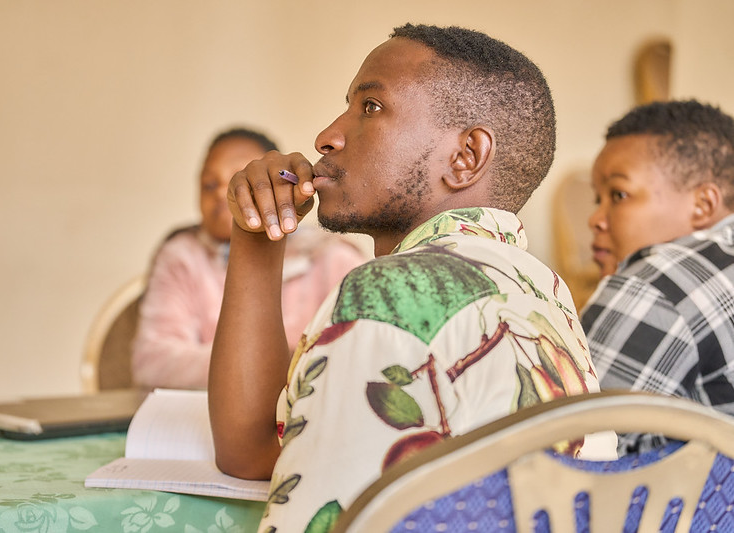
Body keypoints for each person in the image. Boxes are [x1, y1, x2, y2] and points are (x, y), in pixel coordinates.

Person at [208, 24, 616, 532]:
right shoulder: (544, 291)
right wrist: (256, 235)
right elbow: (254, 454)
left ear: (465, 158)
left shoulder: (390, 295)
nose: (327, 136)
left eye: (370, 108)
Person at [131, 127, 366, 389]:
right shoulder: (182, 256)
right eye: (209, 184)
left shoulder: (331, 257)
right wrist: (273, 364)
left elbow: (362, 354)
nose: (221, 193)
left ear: (281, 185)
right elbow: (152, 362)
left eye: (238, 183)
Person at [581, 100, 734, 454]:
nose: (595, 219)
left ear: (704, 205)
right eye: (596, 199)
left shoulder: (654, 283)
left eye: (618, 195)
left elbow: (575, 451)